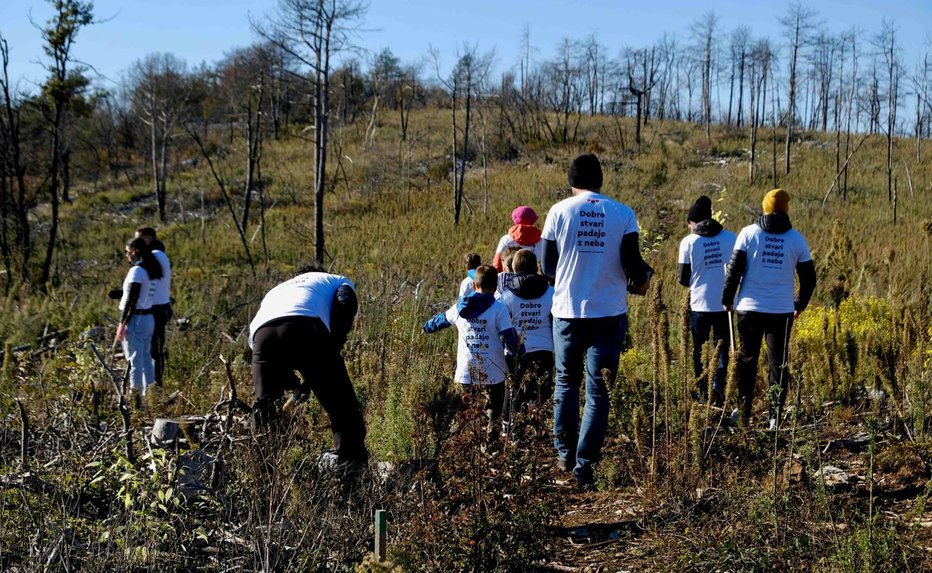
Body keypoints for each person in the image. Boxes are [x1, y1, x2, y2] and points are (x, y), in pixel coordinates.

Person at [541, 153, 652, 489]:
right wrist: (643, 279)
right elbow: (633, 263)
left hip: (568, 311)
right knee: (599, 391)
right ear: (601, 180)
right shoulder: (622, 213)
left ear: (571, 181)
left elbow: (547, 266)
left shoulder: (559, 211)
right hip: (609, 312)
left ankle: (565, 453)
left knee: (565, 382)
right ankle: (585, 464)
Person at [248, 265, 367, 465]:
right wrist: (333, 345)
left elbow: (276, 341)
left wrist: (293, 383)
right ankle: (351, 478)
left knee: (264, 411)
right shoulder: (335, 279)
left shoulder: (277, 290)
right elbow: (345, 302)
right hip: (304, 327)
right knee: (343, 411)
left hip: (262, 336)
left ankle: (263, 481)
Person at [722, 189, 816, 429]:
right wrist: (799, 304)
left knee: (747, 362)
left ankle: (743, 414)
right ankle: (774, 416)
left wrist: (727, 298)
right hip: (781, 312)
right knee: (778, 364)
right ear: (786, 208)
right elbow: (809, 278)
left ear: (764, 207)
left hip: (749, 309)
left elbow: (734, 270)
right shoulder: (796, 239)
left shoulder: (748, 233)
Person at [423, 265, 523, 430]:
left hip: (466, 369)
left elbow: (440, 320)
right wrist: (520, 354)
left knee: (465, 407)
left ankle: (467, 438)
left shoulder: (459, 308)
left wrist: (426, 327)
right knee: (493, 405)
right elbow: (509, 336)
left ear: (474, 285)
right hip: (493, 368)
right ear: (495, 287)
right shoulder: (499, 309)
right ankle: (490, 437)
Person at [677, 196, 736, 407]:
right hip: (725, 305)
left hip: (699, 305)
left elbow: (683, 279)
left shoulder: (688, 242)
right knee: (721, 348)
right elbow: (738, 270)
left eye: (689, 223)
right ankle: (718, 391)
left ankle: (700, 393)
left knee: (699, 350)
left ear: (694, 222)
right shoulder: (730, 238)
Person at [497, 249, 554, 416]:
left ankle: (511, 430)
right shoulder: (550, 292)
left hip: (516, 350)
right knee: (542, 391)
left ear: (514, 268)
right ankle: (539, 427)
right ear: (536, 267)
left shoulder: (506, 296)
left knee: (514, 389)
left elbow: (501, 325)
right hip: (544, 348)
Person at [114, 238, 164, 401]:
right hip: (148, 318)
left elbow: (132, 299)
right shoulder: (151, 270)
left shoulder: (136, 272)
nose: (127, 255)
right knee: (146, 359)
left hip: (136, 319)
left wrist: (123, 323)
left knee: (134, 360)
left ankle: (136, 398)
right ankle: (150, 396)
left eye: (127, 252)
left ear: (134, 251)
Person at [135, 227, 172, 386]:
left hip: (157, 308)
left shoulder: (156, 255)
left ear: (149, 240)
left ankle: (156, 383)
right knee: (149, 347)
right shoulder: (151, 257)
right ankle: (151, 382)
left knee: (154, 348)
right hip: (153, 307)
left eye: (141, 240)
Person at [492, 206, 542, 271]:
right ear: (534, 220)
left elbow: (497, 265)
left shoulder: (506, 240)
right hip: (536, 279)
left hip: (509, 279)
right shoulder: (542, 241)